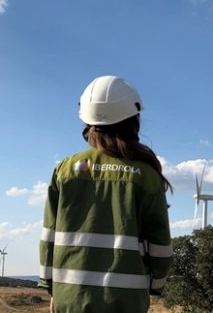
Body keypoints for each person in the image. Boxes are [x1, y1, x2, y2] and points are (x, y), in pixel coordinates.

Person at [38, 75, 173, 312]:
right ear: (133, 120)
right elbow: (160, 244)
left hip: (70, 298)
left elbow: (49, 235)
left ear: (87, 122)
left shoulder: (68, 169)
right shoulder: (145, 175)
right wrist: (154, 285)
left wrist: (52, 287)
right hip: (126, 300)